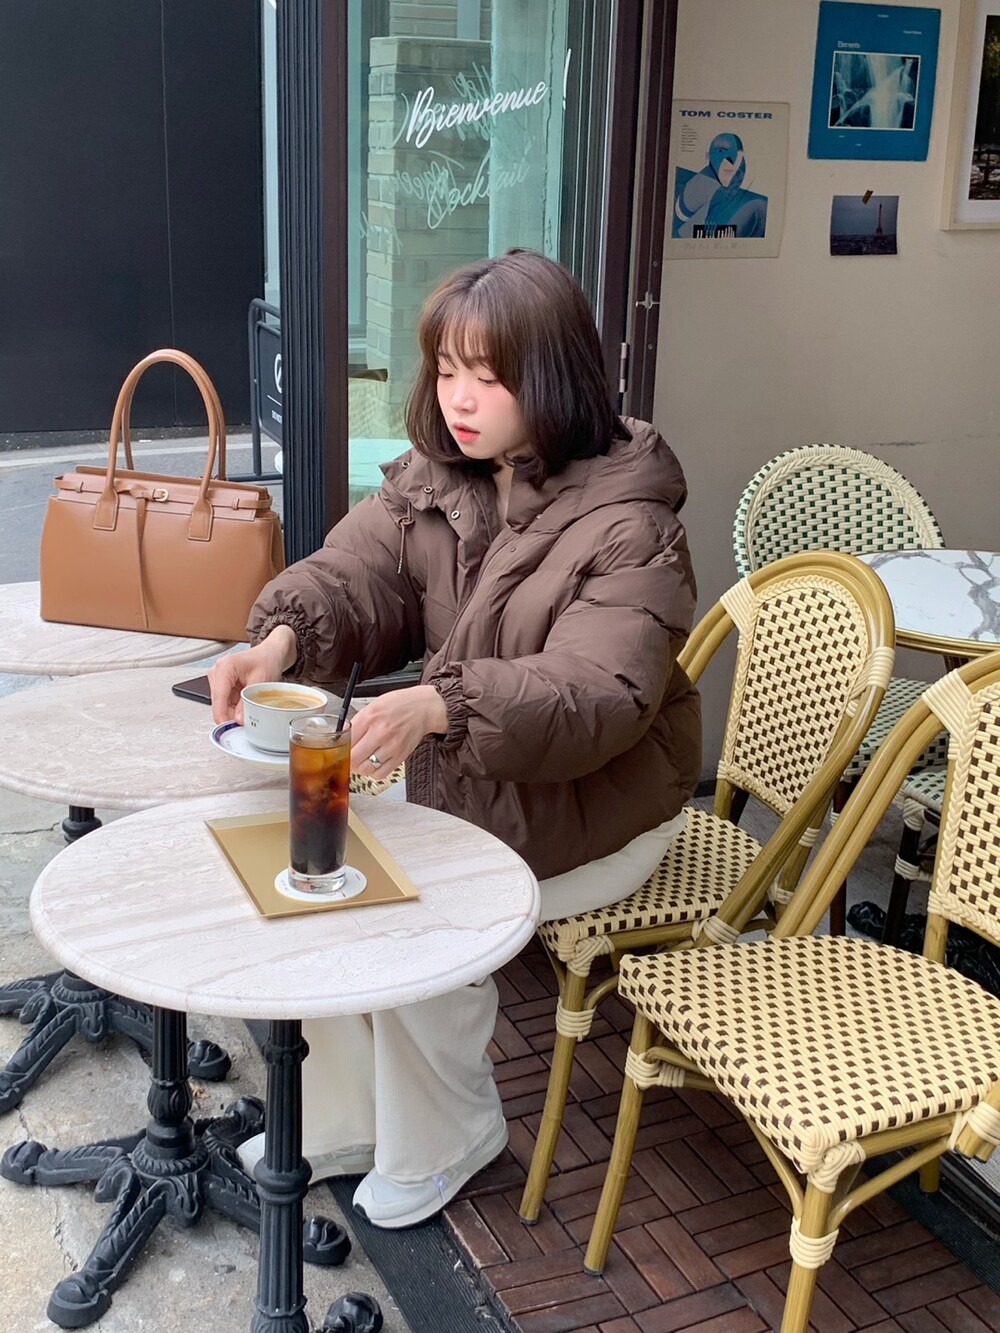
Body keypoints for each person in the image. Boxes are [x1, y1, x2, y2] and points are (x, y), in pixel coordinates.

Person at [209, 249, 701, 1229]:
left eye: (488, 374)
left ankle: (451, 1132)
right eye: (446, 370)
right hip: (485, 769)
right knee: (315, 849)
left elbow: (597, 695)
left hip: (601, 799)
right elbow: (358, 573)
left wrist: (441, 706)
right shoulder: (444, 477)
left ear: (551, 377)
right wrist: (278, 640)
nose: (460, 398)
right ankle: (345, 1112)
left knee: (410, 895)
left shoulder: (632, 527)